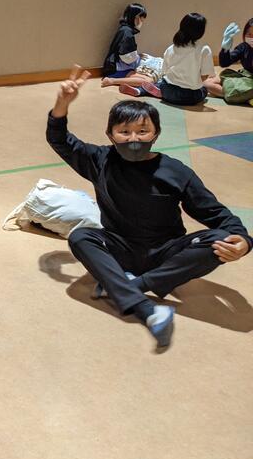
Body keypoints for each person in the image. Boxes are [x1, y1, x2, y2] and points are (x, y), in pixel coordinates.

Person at [47, 67, 252, 349]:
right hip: (118, 249)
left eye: (143, 131)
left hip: (167, 253)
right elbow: (59, 140)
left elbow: (218, 215)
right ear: (110, 134)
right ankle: (145, 307)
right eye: (124, 132)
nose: (134, 139)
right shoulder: (99, 160)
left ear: (156, 134)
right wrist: (62, 104)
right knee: (80, 236)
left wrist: (244, 242)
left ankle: (129, 286)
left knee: (219, 239)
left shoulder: (176, 171)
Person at [126, 13, 214, 104]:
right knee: (204, 89)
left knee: (162, 83)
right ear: (200, 31)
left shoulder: (172, 48)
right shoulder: (204, 49)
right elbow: (204, 77)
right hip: (189, 96)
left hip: (167, 90)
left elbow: (164, 71)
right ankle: (158, 92)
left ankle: (140, 90)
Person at [101, 4, 159, 88]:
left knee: (149, 79)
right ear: (136, 18)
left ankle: (131, 86)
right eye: (141, 20)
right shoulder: (127, 33)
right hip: (116, 70)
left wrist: (137, 56)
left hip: (116, 67)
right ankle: (111, 81)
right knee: (148, 80)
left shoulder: (125, 30)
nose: (141, 22)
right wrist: (137, 57)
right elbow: (127, 58)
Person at [203, 18, 253, 98]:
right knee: (207, 82)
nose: (251, 37)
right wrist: (225, 49)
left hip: (250, 83)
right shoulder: (243, 47)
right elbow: (224, 63)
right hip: (245, 76)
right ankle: (241, 96)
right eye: (249, 34)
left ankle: (240, 96)